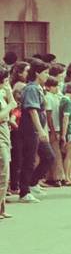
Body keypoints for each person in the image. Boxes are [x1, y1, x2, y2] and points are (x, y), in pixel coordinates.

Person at [18, 59, 54, 203]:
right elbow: (33, 111)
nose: (47, 75)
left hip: (37, 129)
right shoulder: (31, 88)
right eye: (45, 73)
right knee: (29, 159)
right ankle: (24, 192)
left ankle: (33, 183)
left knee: (49, 157)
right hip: (30, 129)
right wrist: (40, 130)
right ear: (37, 73)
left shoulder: (39, 88)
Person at [0, 68, 16, 219]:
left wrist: (10, 96)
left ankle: (2, 208)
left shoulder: (2, 94)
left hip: (5, 136)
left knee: (5, 173)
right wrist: (10, 105)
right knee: (3, 174)